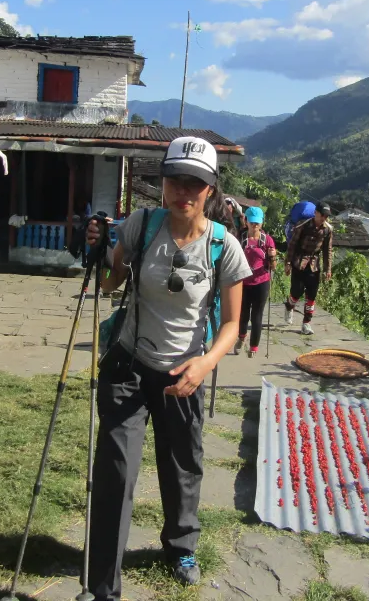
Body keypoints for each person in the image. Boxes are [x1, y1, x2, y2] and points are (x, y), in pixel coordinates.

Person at [84, 136, 251, 601]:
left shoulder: (224, 247)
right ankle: (103, 585)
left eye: (195, 183)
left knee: (182, 466)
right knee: (116, 471)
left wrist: (206, 363)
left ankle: (180, 546)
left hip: (184, 375)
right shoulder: (142, 225)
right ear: (163, 183)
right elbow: (111, 284)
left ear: (211, 190)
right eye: (176, 180)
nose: (185, 190)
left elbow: (234, 324)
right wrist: (103, 251)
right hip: (128, 366)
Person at [284, 201, 333, 335]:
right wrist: (288, 263)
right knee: (296, 292)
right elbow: (292, 245)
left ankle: (306, 323)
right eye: (322, 214)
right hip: (299, 262)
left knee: (311, 294)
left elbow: (327, 250)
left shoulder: (327, 230)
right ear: (316, 213)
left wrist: (327, 269)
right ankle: (289, 306)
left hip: (314, 265)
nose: (324, 218)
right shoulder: (303, 226)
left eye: (326, 216)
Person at [235, 206, 276, 355]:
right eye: (252, 222)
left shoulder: (267, 240)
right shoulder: (240, 238)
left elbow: (273, 267)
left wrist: (272, 256)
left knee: (257, 315)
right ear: (246, 221)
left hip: (261, 282)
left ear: (262, 223)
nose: (255, 225)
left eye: (257, 222)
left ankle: (253, 347)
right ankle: (241, 337)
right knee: (243, 314)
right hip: (243, 282)